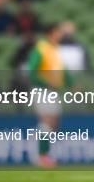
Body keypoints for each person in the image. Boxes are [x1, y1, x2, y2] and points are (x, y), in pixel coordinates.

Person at [28, 23, 72, 168]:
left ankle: (45, 153)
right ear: (51, 33)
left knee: (54, 123)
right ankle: (41, 156)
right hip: (42, 90)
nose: (60, 36)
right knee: (47, 120)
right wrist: (46, 82)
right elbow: (32, 71)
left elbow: (62, 71)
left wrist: (71, 84)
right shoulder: (41, 48)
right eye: (58, 33)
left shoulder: (55, 50)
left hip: (53, 91)